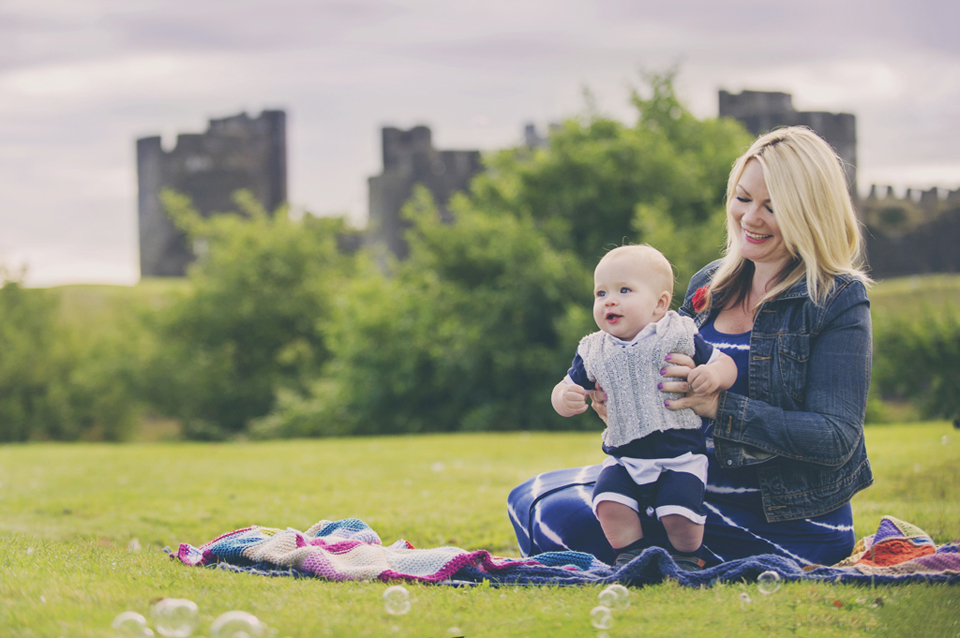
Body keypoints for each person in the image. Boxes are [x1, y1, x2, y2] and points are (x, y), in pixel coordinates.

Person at [509, 126, 873, 569]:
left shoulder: (836, 298)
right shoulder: (710, 283)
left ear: (809, 213)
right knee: (531, 497)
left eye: (772, 207)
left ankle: (668, 555)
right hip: (680, 481)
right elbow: (657, 368)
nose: (750, 218)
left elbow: (835, 438)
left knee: (554, 514)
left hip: (785, 518)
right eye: (743, 198)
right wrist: (619, 400)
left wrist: (718, 405)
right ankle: (660, 549)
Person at [552, 245, 737, 570]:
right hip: (624, 457)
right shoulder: (594, 349)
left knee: (679, 511)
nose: (609, 299)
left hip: (679, 457)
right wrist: (564, 397)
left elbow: (725, 363)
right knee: (608, 502)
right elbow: (567, 383)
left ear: (660, 304)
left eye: (624, 290)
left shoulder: (678, 335)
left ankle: (686, 555)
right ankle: (631, 552)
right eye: (601, 292)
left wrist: (712, 375)